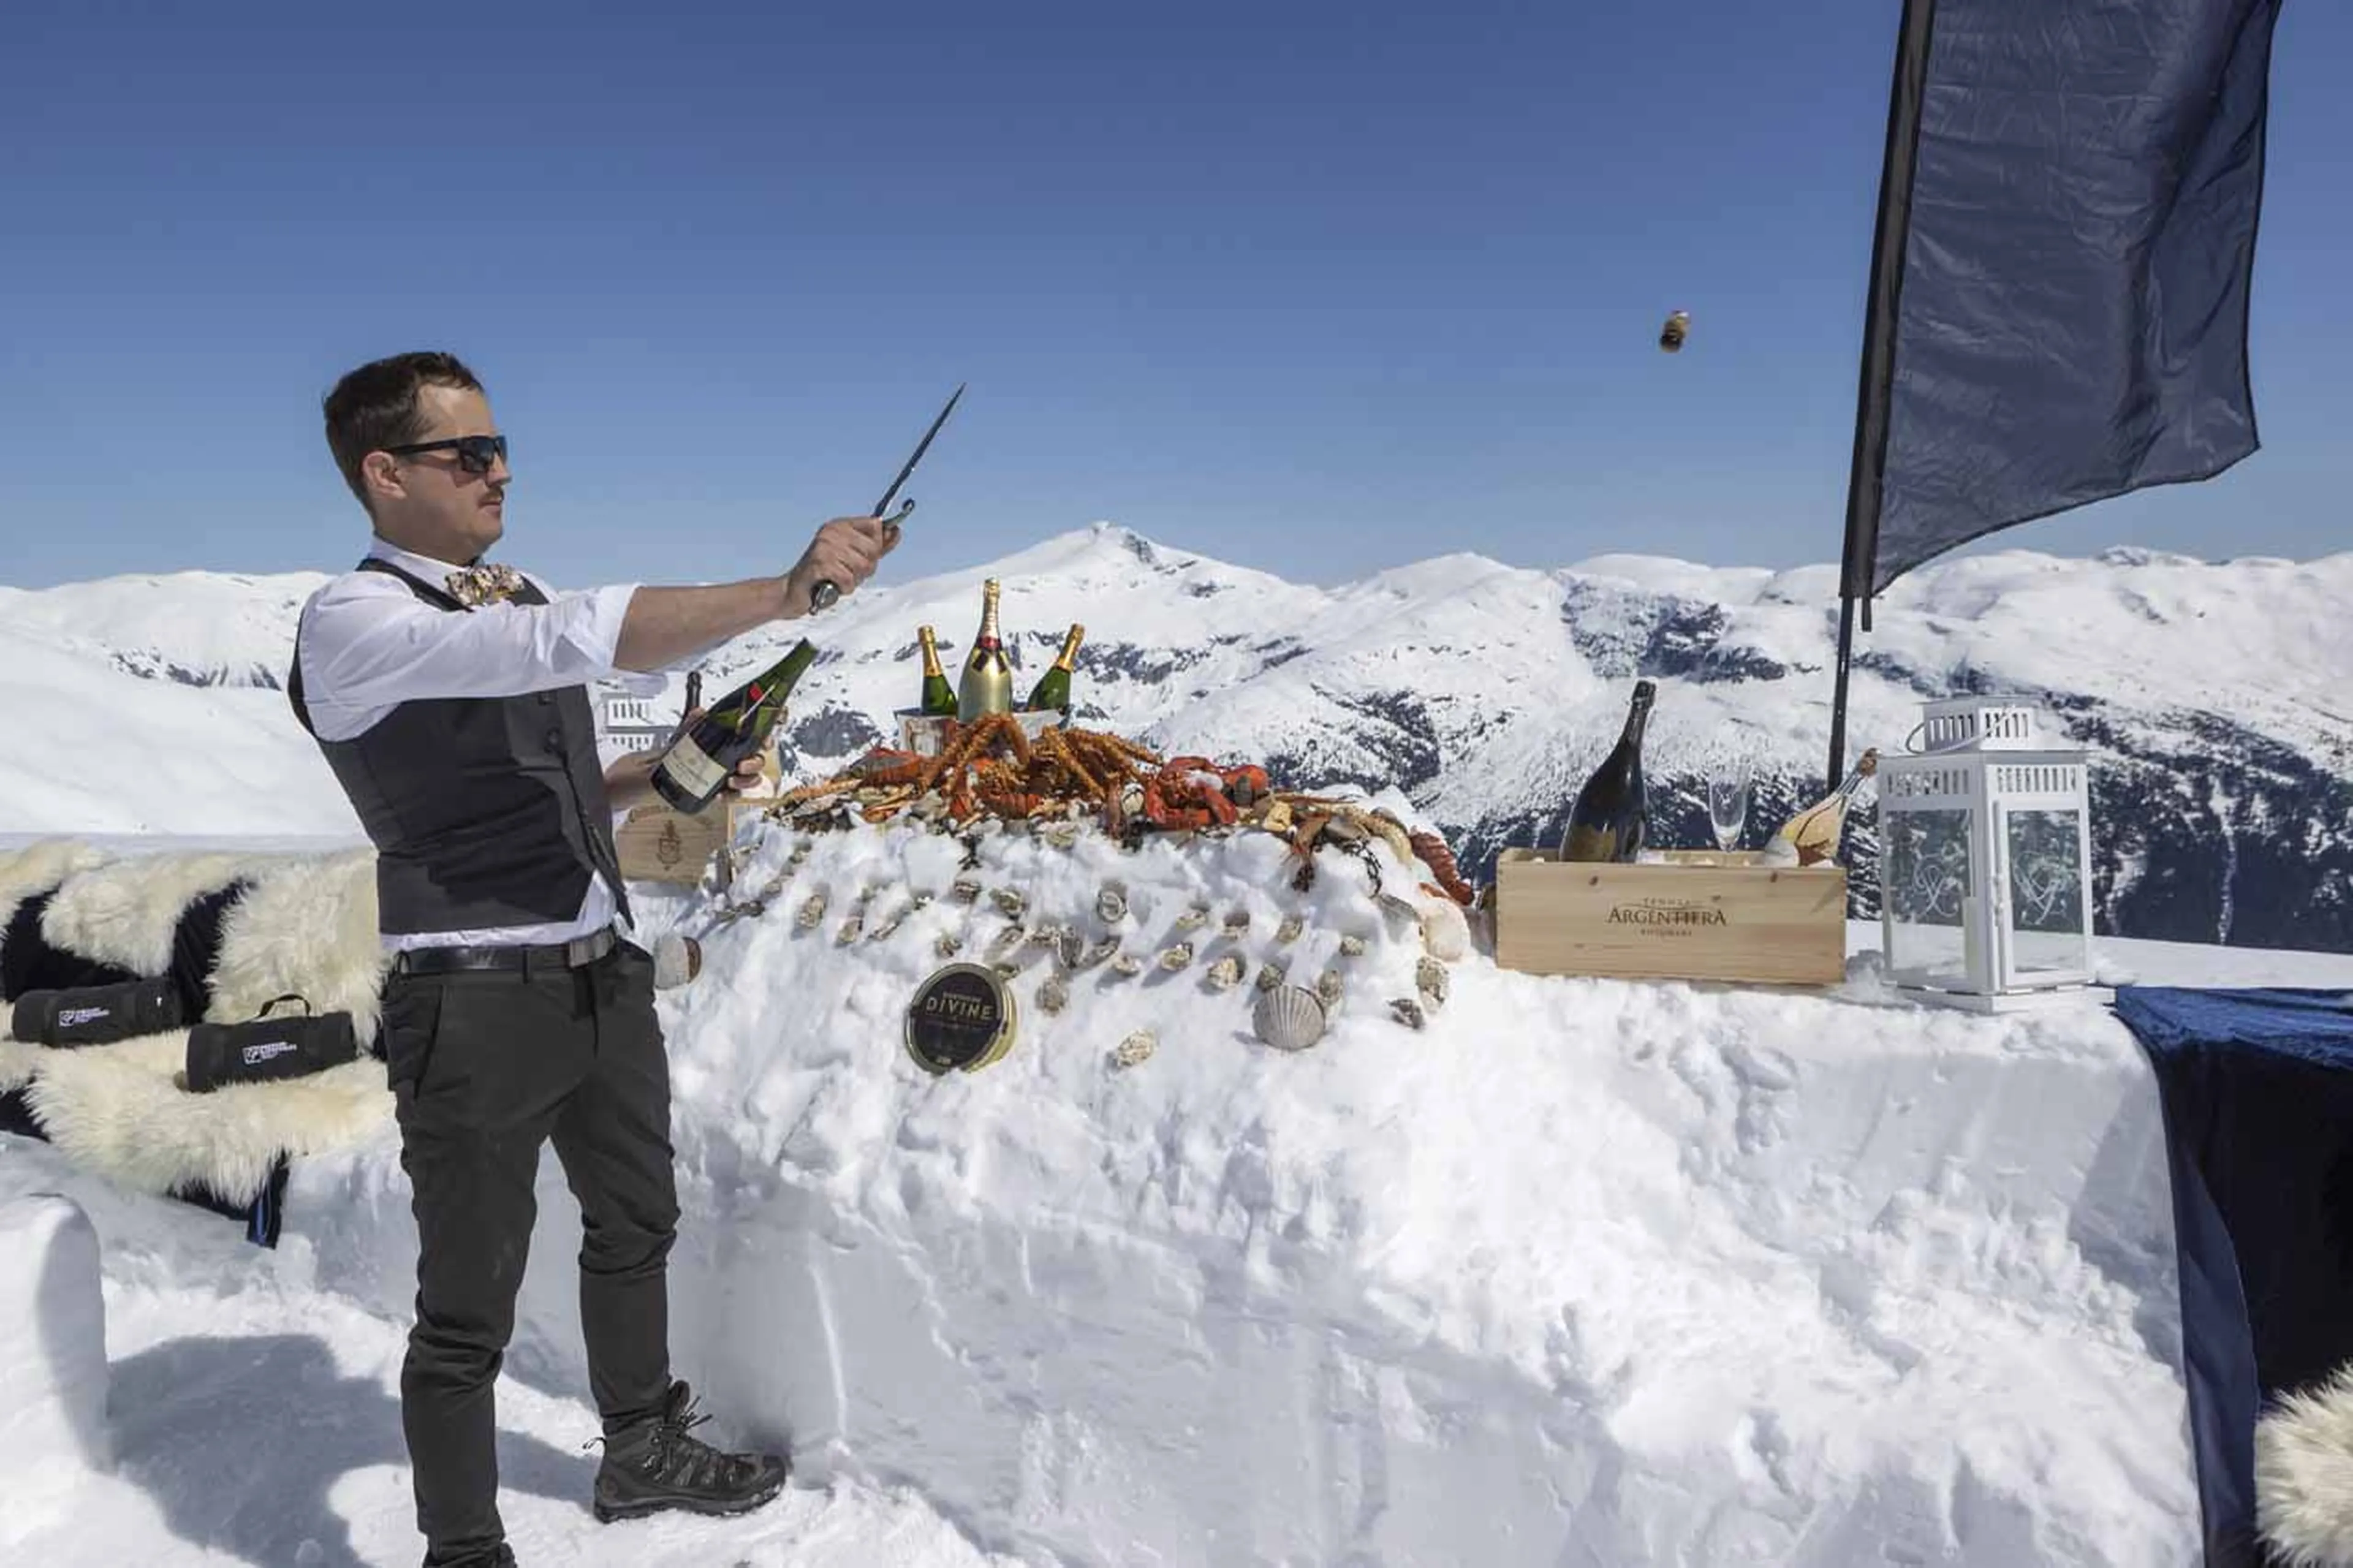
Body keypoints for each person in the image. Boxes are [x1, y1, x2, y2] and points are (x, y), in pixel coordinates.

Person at [289, 350, 897, 1568]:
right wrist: (786, 590)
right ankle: (463, 1550)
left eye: (501, 447)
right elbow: (575, 639)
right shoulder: (354, 622)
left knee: (635, 1220)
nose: (499, 470)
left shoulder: (505, 589)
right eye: (469, 454)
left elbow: (569, 781)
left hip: (599, 971)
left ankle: (641, 1451)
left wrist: (672, 771)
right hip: (472, 1003)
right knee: (467, 1302)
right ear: (386, 472)